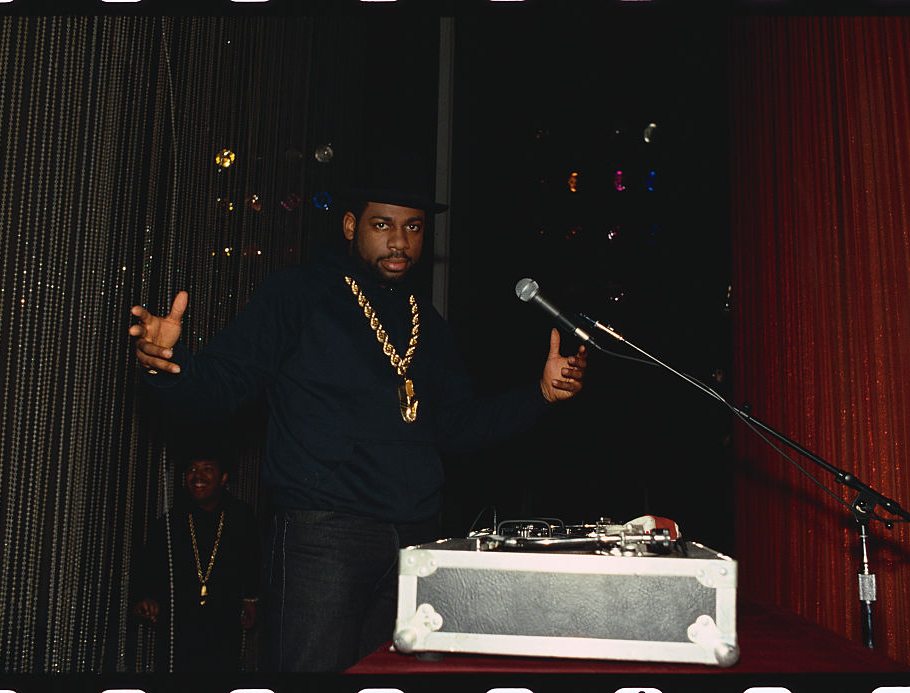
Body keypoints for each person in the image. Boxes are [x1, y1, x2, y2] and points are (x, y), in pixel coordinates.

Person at [128, 148, 588, 672]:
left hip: (415, 539)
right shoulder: (297, 293)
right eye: (382, 225)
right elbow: (227, 383)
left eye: (413, 227)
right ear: (351, 226)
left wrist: (538, 397)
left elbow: (456, 427)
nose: (400, 241)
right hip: (323, 535)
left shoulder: (428, 323)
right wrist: (168, 364)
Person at [131, 440, 261, 673]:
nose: (197, 476)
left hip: (224, 624)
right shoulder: (171, 521)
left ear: (223, 478)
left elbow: (253, 561)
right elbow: (148, 568)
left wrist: (250, 600)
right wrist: (147, 598)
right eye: (192, 469)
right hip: (180, 627)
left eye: (207, 468)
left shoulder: (241, 517)